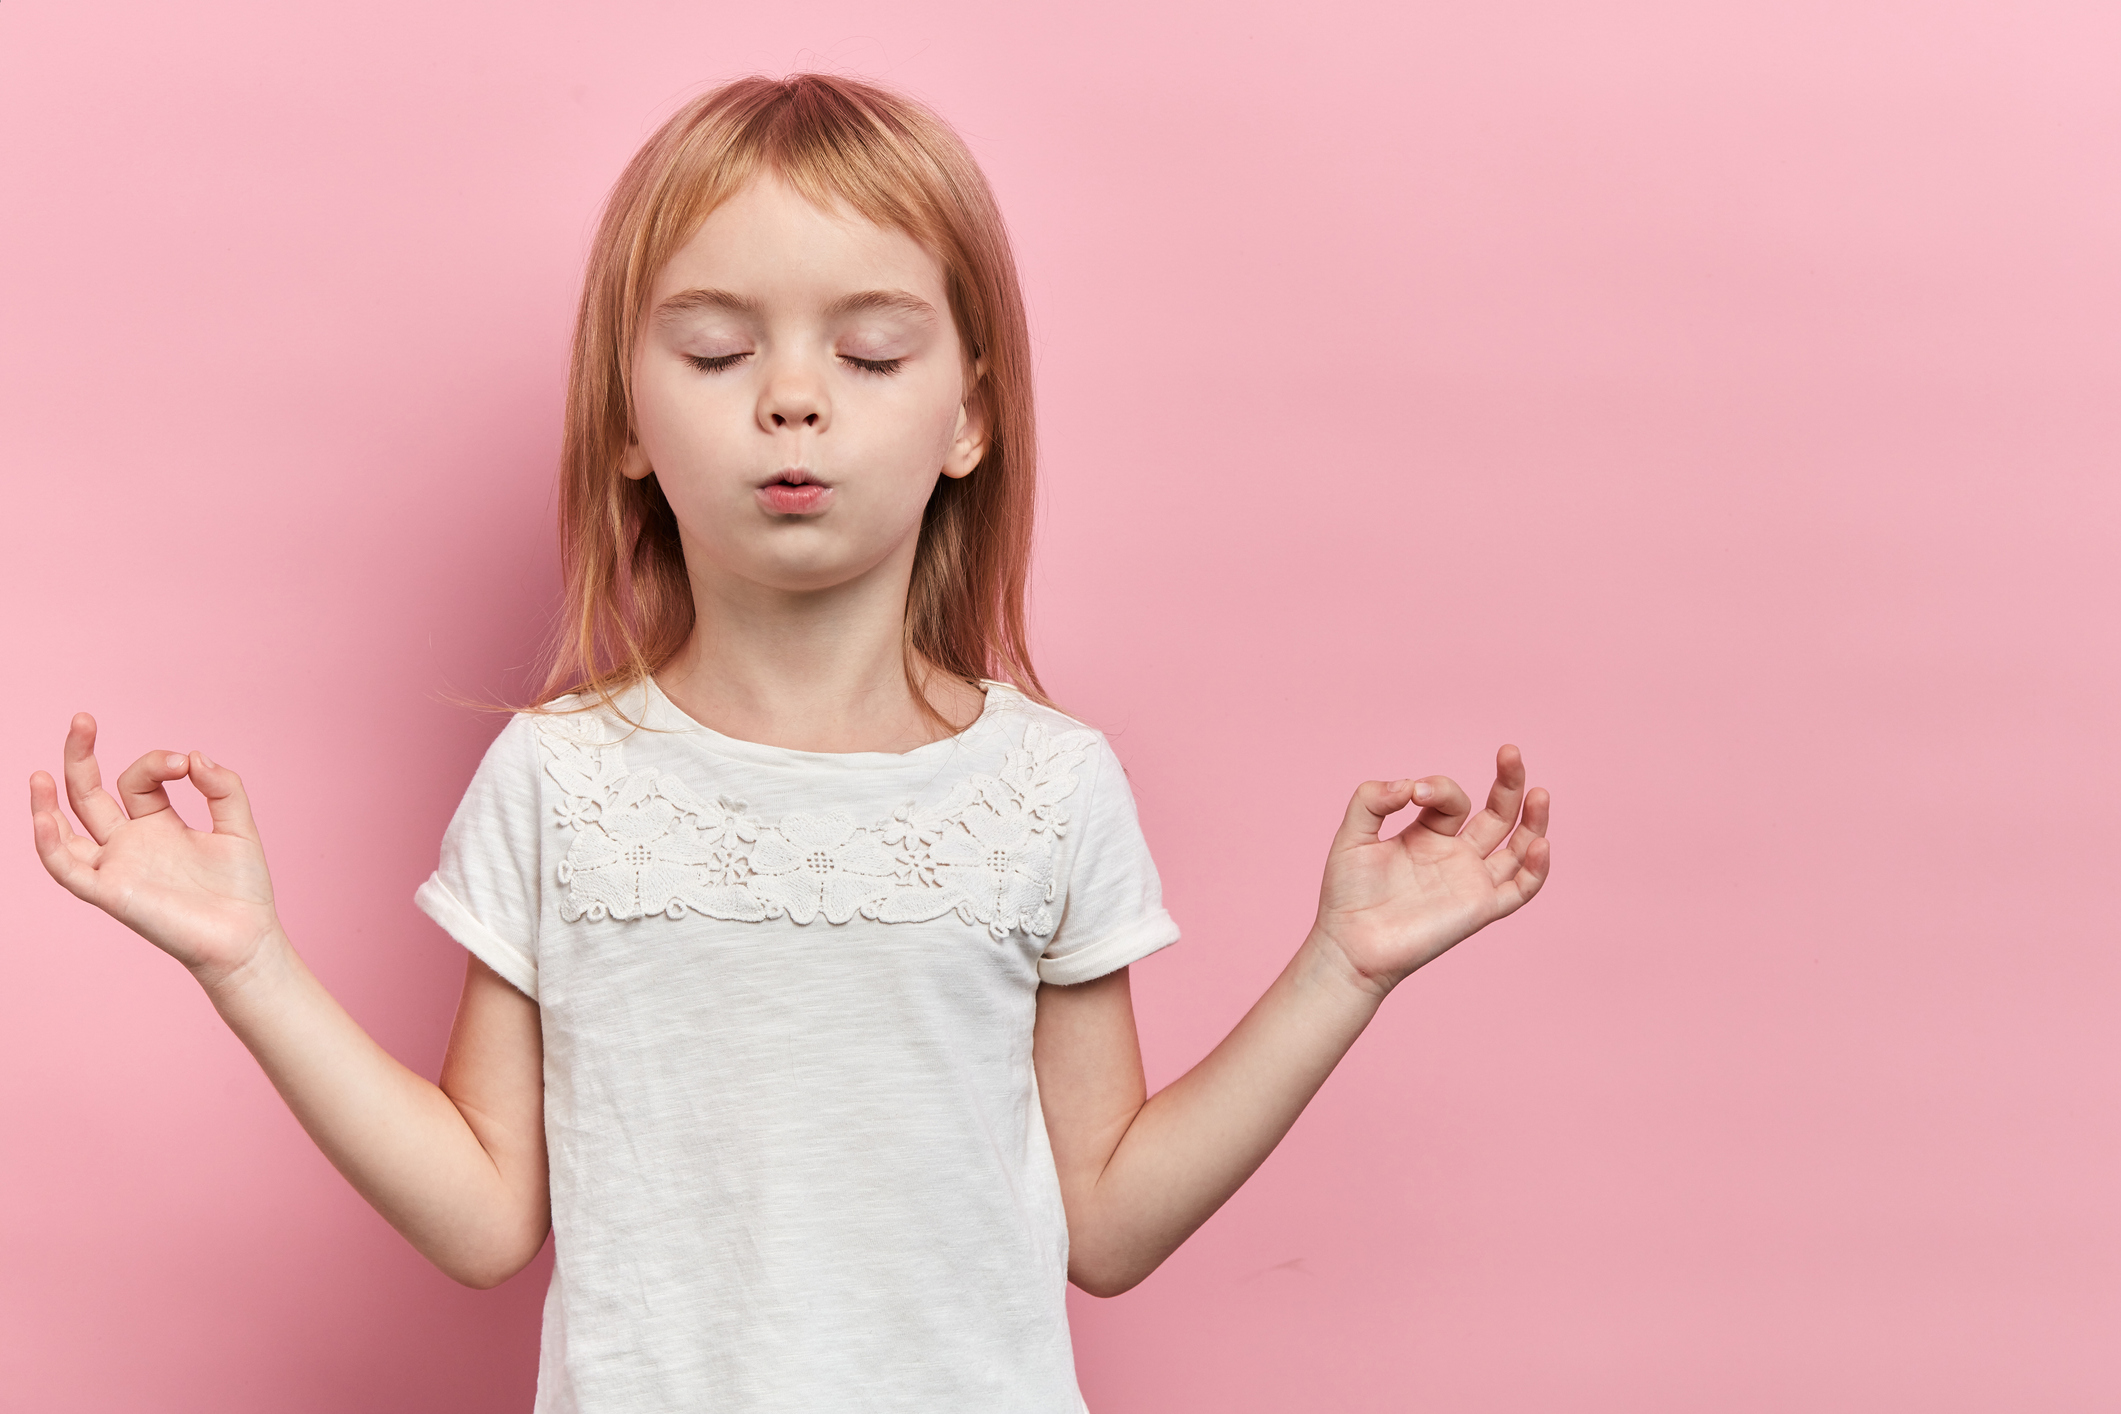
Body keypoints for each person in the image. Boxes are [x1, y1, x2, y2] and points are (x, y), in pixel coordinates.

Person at [27, 73, 1551, 1413]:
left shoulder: (1048, 786)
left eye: (872, 354)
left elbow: (1104, 1222)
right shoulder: (560, 780)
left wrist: (1339, 969)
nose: (794, 399)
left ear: (968, 416)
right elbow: (487, 1212)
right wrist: (248, 961)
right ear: (623, 416)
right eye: (713, 352)